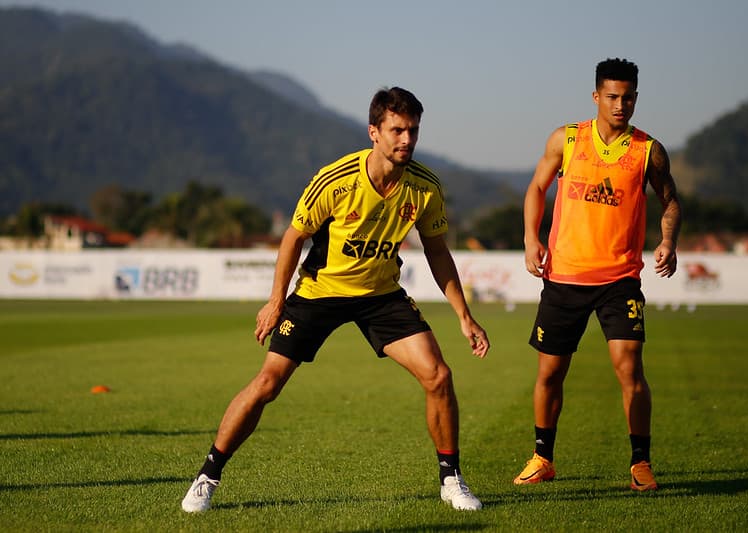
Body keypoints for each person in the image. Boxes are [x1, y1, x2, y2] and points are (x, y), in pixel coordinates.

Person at [182, 86, 490, 513]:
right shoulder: (336, 180)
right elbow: (293, 238)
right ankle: (207, 476)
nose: (406, 140)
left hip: (381, 296)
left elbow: (438, 251)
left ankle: (451, 479)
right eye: (397, 130)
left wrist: (465, 316)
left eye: (413, 131)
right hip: (318, 293)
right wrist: (276, 300)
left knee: (438, 376)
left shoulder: (424, 188)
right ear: (374, 132)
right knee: (268, 383)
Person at [513, 58, 681, 491]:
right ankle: (541, 457)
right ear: (596, 97)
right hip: (564, 278)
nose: (620, 104)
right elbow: (535, 187)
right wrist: (532, 238)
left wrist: (668, 242)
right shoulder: (566, 139)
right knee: (550, 373)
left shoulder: (648, 150)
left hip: (619, 280)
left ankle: (640, 462)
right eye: (612, 97)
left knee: (630, 368)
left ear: (636, 98)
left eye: (627, 97)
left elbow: (671, 201)